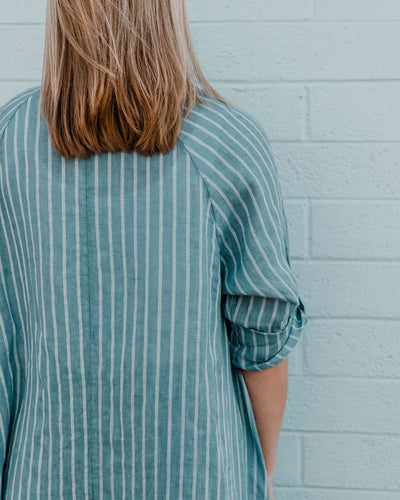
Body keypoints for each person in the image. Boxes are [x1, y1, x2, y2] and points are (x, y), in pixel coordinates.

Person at [0, 0, 308, 498]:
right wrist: (261, 473)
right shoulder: (227, 140)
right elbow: (264, 330)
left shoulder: (8, 139)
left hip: (44, 476)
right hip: (196, 474)